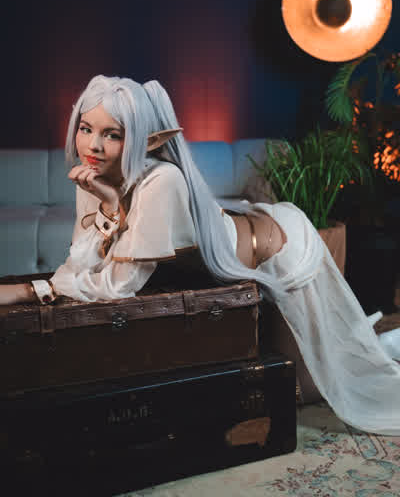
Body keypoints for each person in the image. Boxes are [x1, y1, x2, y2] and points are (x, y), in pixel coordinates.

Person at [1, 74, 400, 435]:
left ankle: (389, 342)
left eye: (112, 134)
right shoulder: (93, 178)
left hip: (275, 250)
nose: (93, 146)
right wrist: (106, 204)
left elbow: (119, 286)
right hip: (237, 248)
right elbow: (82, 263)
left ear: (140, 139)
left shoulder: (161, 180)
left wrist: (27, 291)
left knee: (319, 385)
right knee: (321, 363)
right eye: (86, 128)